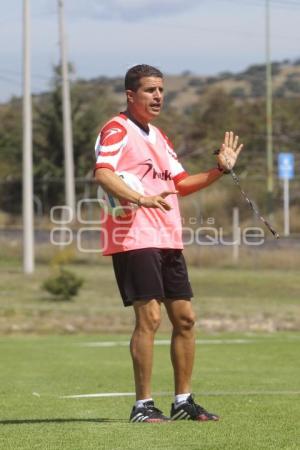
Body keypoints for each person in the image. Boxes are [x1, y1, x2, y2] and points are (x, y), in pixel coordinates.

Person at [94, 64, 243, 423]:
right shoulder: (117, 129)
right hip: (133, 237)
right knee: (150, 318)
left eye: (161, 90)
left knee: (186, 319)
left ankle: (183, 402)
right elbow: (103, 173)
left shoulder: (159, 137)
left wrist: (219, 170)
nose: (158, 96)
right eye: (149, 90)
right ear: (131, 95)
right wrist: (140, 198)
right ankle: (143, 406)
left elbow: (180, 183)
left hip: (166, 236)